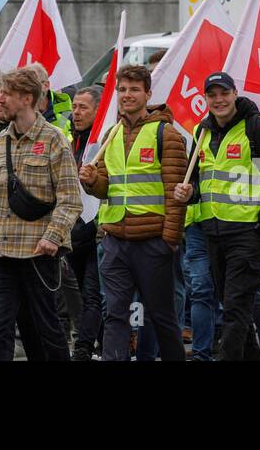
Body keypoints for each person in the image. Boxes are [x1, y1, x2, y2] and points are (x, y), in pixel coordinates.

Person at [80, 65, 188, 362]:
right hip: (114, 241)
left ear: (148, 93)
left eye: (134, 89)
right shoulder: (111, 135)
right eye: (123, 89)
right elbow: (106, 188)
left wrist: (168, 241)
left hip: (152, 242)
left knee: (161, 317)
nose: (127, 95)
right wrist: (91, 182)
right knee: (115, 315)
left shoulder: (166, 135)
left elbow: (175, 194)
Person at [0, 68, 82, 361]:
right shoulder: (0, 140)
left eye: (5, 94)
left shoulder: (54, 139)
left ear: (26, 98)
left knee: (44, 326)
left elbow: (71, 199)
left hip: (36, 251)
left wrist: (52, 237)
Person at [186, 71, 260, 361]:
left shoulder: (257, 128)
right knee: (232, 304)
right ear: (205, 98)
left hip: (246, 233)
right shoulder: (201, 131)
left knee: (234, 306)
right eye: (212, 95)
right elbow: (196, 183)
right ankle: (253, 356)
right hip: (212, 234)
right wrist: (187, 193)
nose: (219, 100)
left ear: (234, 93)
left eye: (224, 93)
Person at [65, 86, 103, 360]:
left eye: (83, 108)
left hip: (98, 231)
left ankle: (83, 349)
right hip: (74, 231)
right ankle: (97, 344)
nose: (76, 113)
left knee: (92, 294)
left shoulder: (103, 140)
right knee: (79, 293)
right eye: (74, 107)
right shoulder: (71, 140)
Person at [23, 62, 73, 141]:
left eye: (32, 84)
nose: (27, 89)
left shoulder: (66, 115)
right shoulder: (17, 113)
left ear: (46, 85)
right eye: (24, 85)